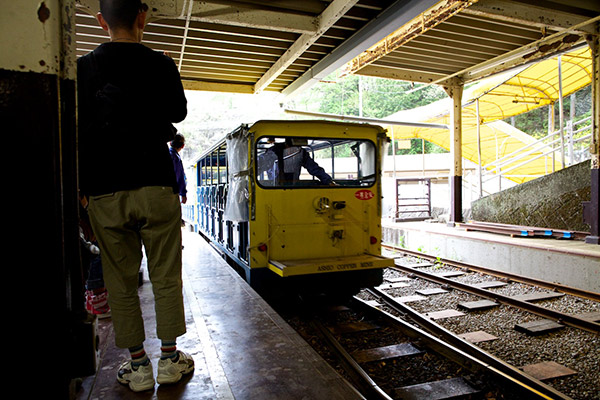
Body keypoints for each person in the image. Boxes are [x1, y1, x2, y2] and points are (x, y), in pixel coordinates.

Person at [77, 0, 193, 392]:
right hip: (156, 185)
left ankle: (138, 367)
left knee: (120, 280)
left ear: (100, 21)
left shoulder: (83, 68)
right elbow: (177, 112)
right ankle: (171, 358)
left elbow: (77, 128)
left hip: (105, 190)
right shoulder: (160, 63)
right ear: (143, 17)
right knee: (165, 275)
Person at [258, 138, 334, 186]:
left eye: (299, 147)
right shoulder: (273, 152)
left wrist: (328, 181)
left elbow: (314, 168)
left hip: (294, 189)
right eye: (295, 147)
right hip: (273, 189)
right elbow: (259, 164)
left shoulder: (301, 153)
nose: (297, 150)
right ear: (287, 145)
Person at [169, 133, 187, 204]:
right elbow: (180, 177)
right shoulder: (176, 158)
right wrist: (183, 193)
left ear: (170, 143)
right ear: (182, 146)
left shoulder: (164, 154)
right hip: (171, 192)